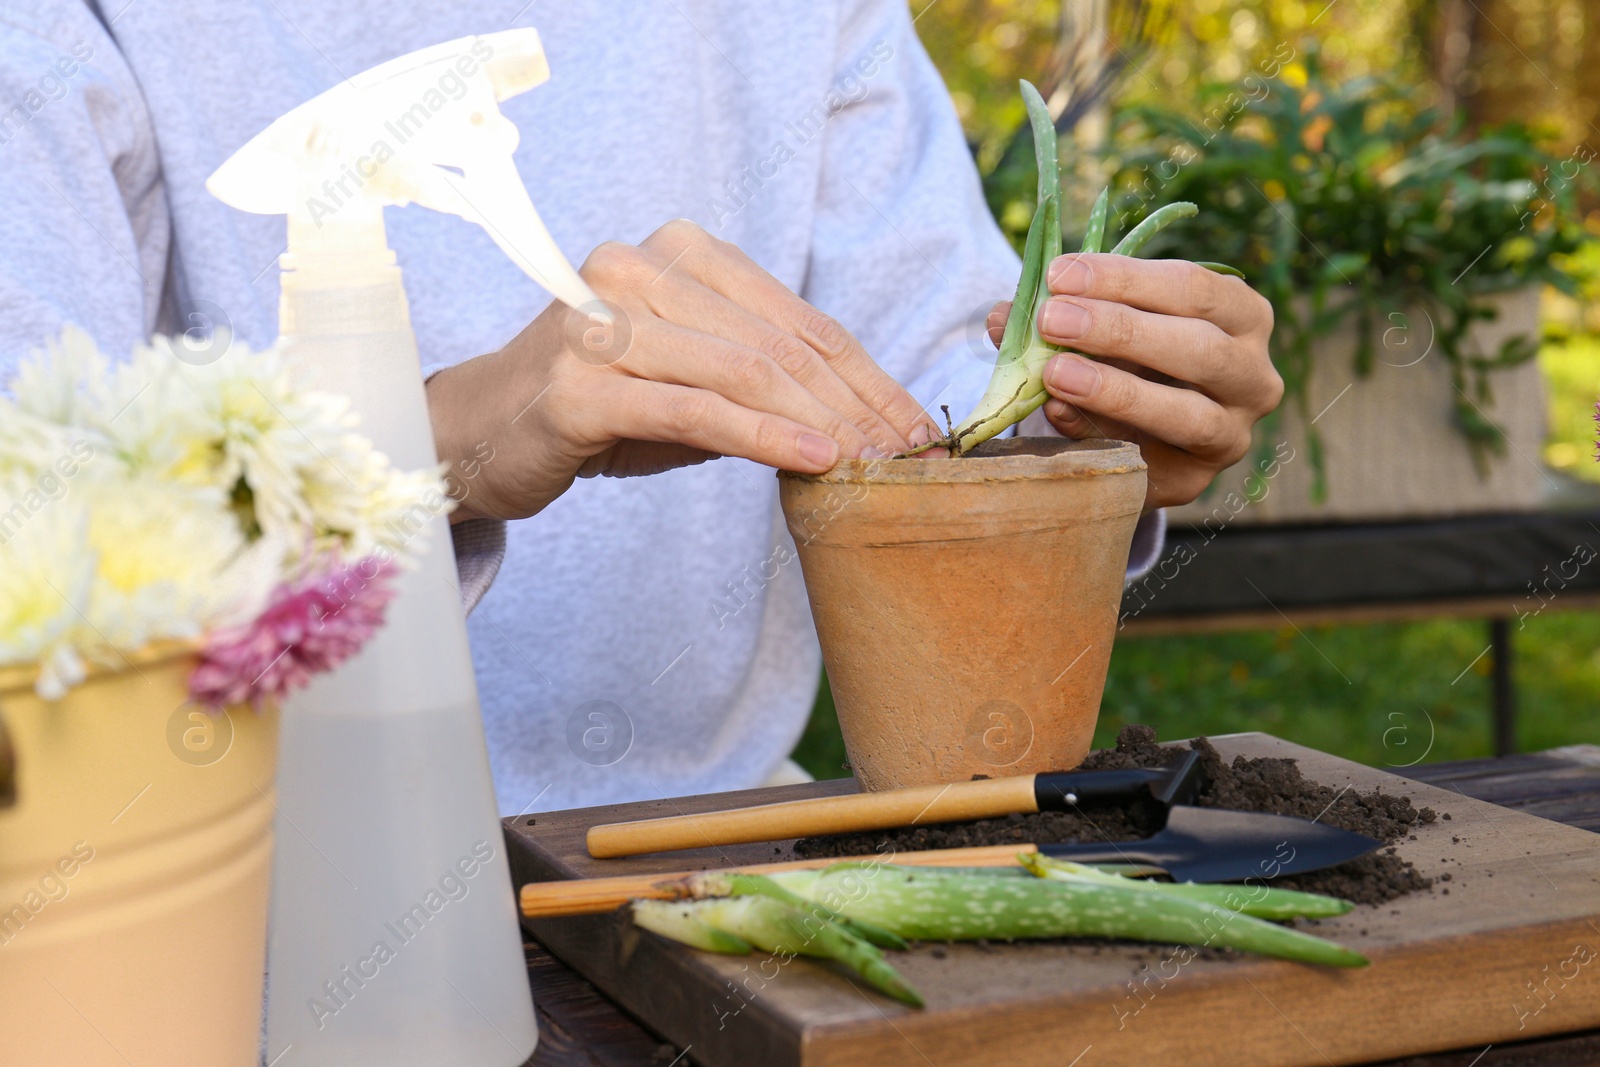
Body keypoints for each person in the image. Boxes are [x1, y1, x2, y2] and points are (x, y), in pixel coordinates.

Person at [0, 1, 1279, 813]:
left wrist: (1086, 427)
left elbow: (933, 417)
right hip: (221, 899)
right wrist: (431, 445)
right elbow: (39, 555)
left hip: (721, 845)